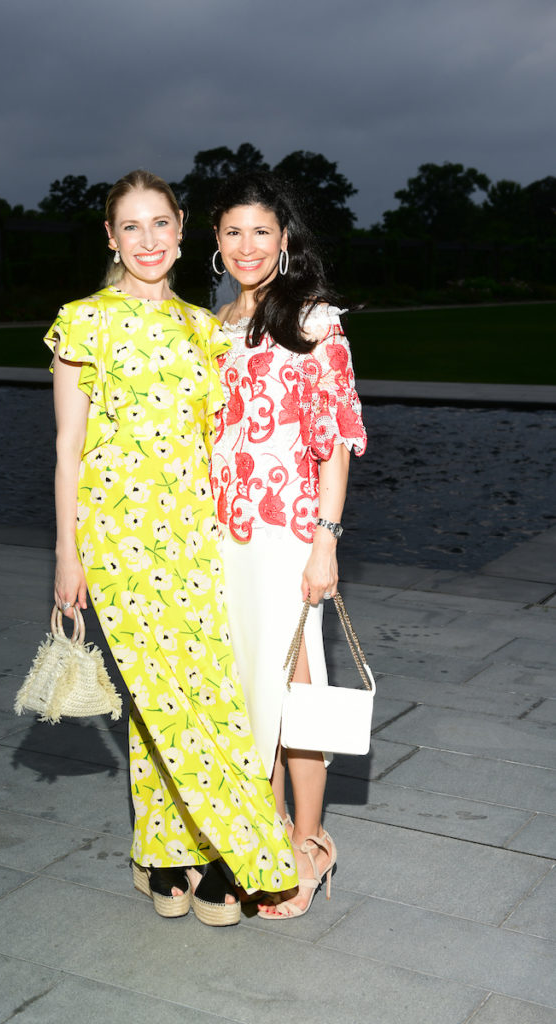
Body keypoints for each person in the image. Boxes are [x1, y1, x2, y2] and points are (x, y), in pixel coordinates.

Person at [45, 169, 297, 927]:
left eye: (160, 224)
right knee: (160, 696)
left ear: (182, 229)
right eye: (131, 227)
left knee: (204, 697)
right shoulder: (83, 321)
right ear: (110, 237)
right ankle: (232, 851)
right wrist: (66, 553)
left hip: (195, 537)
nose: (148, 240)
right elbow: (66, 448)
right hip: (116, 540)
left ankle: (179, 848)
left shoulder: (203, 327)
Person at [210, 171, 367, 919]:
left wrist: (325, 544)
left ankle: (310, 844)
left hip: (287, 534)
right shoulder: (213, 326)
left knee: (297, 694)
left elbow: (334, 441)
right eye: (233, 231)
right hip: (225, 539)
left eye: (261, 232)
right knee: (249, 702)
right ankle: (264, 843)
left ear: (285, 239)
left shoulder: (313, 319)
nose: (247, 245)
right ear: (214, 240)